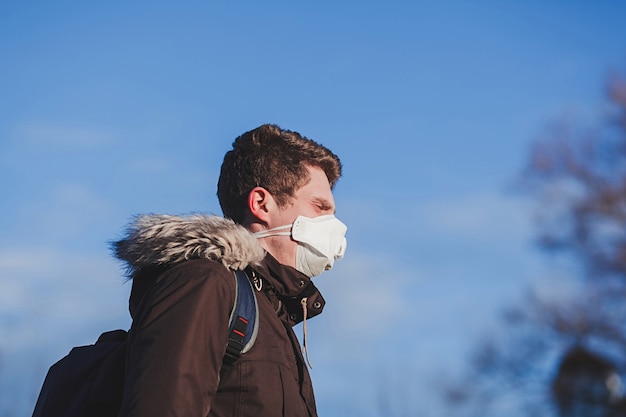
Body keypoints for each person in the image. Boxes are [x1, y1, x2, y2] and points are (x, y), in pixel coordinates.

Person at [112, 124, 347, 417]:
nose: (335, 226)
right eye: (320, 207)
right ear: (261, 203)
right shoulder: (205, 282)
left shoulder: (273, 314)